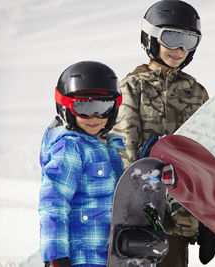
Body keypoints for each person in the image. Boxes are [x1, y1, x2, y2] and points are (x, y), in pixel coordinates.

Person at [111, 1, 215, 266]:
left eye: (189, 41)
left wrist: (207, 220)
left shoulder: (197, 92)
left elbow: (205, 159)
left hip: (180, 221)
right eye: (172, 37)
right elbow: (125, 151)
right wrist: (134, 205)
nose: (179, 49)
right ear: (151, 37)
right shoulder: (131, 88)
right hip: (138, 219)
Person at [39, 61, 125, 267]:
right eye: (84, 107)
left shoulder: (107, 145)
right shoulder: (70, 147)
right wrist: (55, 257)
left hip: (108, 256)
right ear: (66, 106)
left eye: (104, 107)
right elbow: (53, 204)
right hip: (82, 259)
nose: (94, 117)